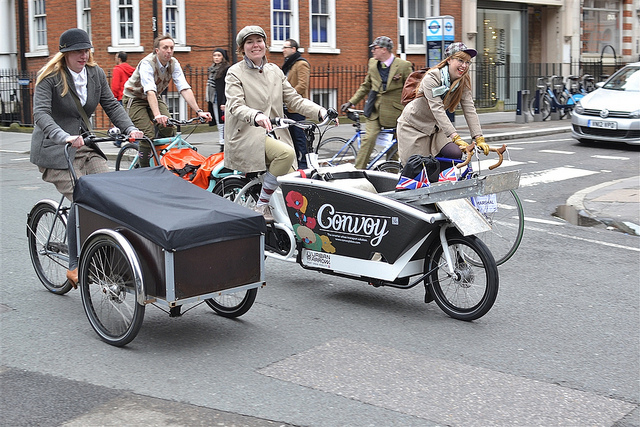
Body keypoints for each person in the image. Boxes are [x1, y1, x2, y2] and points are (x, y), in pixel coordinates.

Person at [30, 28, 144, 289]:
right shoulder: (50, 78)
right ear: (66, 53)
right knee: (83, 198)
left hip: (84, 146)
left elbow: (112, 105)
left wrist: (130, 129)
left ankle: (106, 251)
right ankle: (74, 264)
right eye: (78, 51)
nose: (84, 55)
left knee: (110, 193)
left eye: (86, 50)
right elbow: (41, 115)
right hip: (54, 150)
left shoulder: (95, 74)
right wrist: (62, 136)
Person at [225, 26, 329, 222]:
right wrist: (255, 115)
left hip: (274, 134)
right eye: (249, 42)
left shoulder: (274, 71)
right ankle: (261, 205)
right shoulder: (234, 73)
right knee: (286, 154)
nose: (255, 45)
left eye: (259, 40)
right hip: (247, 135)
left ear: (265, 44)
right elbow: (235, 105)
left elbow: (295, 100)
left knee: (295, 182)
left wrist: (321, 111)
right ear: (242, 48)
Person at [122, 34, 211, 167]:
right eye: (165, 48)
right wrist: (157, 115)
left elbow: (184, 88)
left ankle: (160, 161)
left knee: (169, 127)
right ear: (157, 50)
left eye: (171, 48)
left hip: (153, 97)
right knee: (147, 134)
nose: (169, 51)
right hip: (135, 99)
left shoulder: (173, 64)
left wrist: (199, 111)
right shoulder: (147, 63)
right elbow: (150, 90)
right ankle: (144, 170)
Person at [397, 42, 490, 169]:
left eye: (467, 62)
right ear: (449, 60)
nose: (464, 65)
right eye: (460, 60)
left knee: (454, 153)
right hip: (414, 126)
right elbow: (437, 109)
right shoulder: (433, 77)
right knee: (418, 168)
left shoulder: (463, 80)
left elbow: (469, 108)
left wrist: (479, 137)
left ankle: (441, 183)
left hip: (435, 128)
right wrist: (455, 136)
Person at [340, 36, 412, 169]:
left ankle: (391, 174)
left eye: (375, 48)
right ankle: (358, 172)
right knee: (369, 138)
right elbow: (366, 85)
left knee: (394, 146)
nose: (372, 51)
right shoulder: (372, 63)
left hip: (395, 113)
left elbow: (411, 89)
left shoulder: (403, 66)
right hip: (375, 111)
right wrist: (351, 102)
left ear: (384, 50)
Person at [281, 38, 310, 169]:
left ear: (293, 49)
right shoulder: (289, 64)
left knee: (299, 138)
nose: (283, 50)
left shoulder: (301, 63)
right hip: (287, 108)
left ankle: (304, 164)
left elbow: (302, 85)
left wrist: (289, 96)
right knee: (290, 138)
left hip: (297, 108)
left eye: (285, 47)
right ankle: (295, 164)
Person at [205, 48, 230, 151]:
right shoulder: (212, 69)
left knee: (223, 121)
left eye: (219, 55)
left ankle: (224, 144)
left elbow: (227, 86)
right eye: (215, 55)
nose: (216, 58)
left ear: (223, 57)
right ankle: (221, 141)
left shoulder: (226, 69)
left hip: (221, 99)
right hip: (213, 98)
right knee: (218, 121)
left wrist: (224, 101)